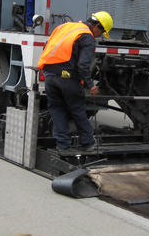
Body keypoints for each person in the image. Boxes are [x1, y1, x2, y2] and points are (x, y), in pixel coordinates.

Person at [37, 11, 113, 152]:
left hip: (49, 75)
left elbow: (46, 48)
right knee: (77, 109)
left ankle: (63, 146)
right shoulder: (87, 36)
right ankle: (88, 143)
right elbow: (83, 66)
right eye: (101, 32)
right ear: (97, 26)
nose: (100, 35)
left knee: (57, 110)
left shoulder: (64, 27)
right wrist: (91, 85)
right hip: (68, 78)